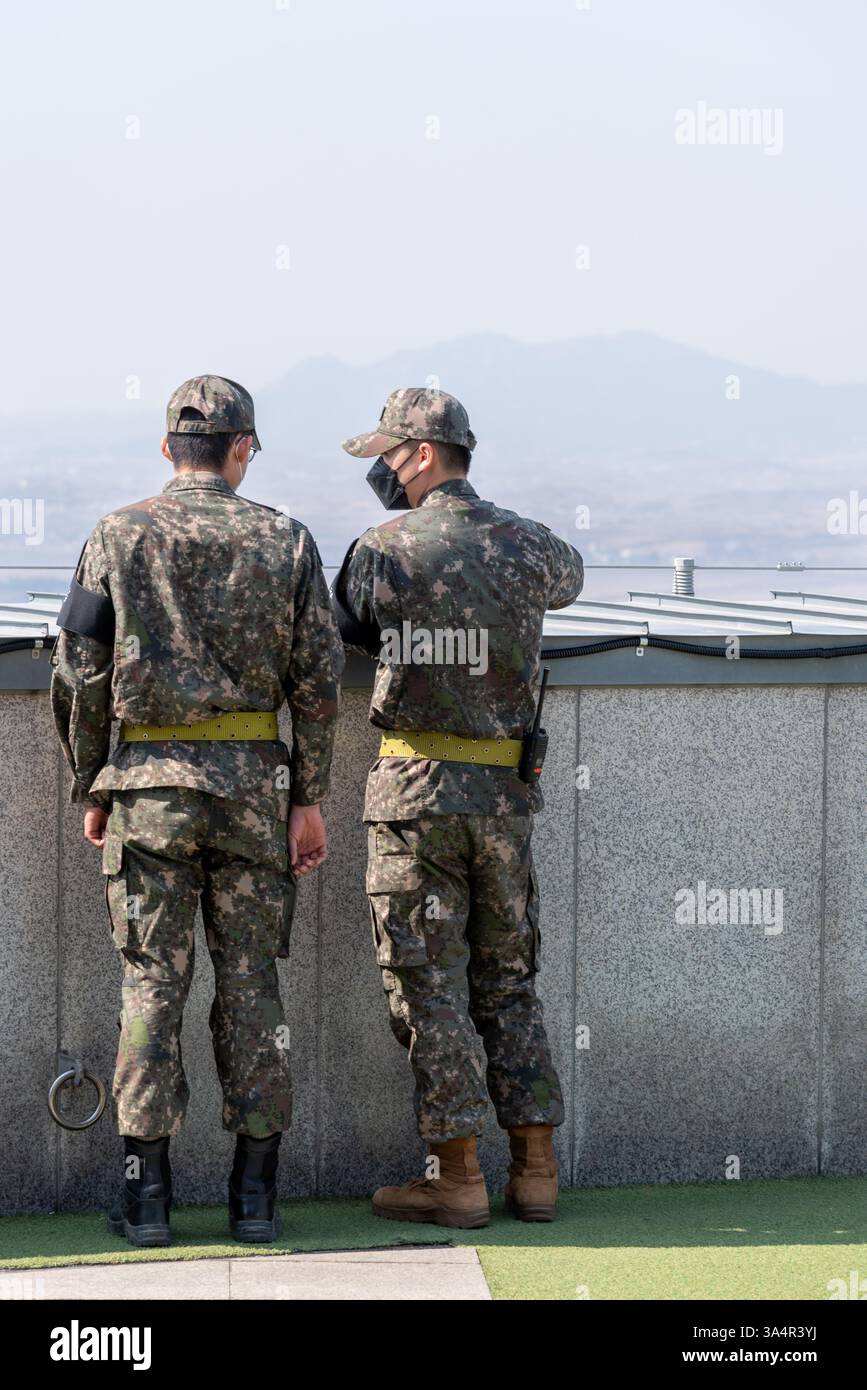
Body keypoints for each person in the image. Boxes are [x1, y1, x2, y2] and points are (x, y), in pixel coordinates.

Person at [51, 375, 343, 1247]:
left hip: (147, 792)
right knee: (252, 987)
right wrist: (308, 799)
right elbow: (318, 685)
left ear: (167, 448)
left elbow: (80, 669)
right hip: (254, 795)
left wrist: (93, 781)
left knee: (151, 986)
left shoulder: (117, 533)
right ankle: (255, 1199)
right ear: (242, 448)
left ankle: (146, 1199)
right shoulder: (286, 540)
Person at [334, 386, 583, 1227]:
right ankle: (536, 1172)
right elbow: (568, 583)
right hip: (506, 799)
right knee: (509, 981)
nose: (382, 471)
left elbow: (351, 626)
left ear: (426, 455)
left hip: (416, 796)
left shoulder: (378, 548)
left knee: (427, 985)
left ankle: (457, 1177)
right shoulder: (531, 544)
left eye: (390, 455)